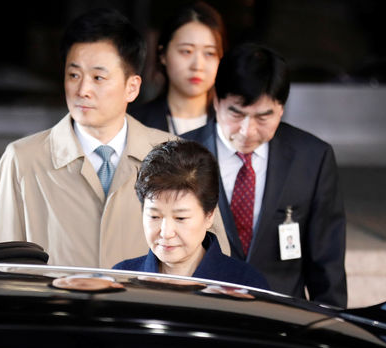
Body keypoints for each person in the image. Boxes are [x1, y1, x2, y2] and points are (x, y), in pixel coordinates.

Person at [0, 7, 229, 268]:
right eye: (73, 75)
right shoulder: (23, 160)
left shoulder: (179, 156)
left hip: (147, 309)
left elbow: (215, 266)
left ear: (132, 87)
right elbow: (2, 269)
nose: (83, 90)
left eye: (98, 77)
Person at [183, 43, 347, 307]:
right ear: (216, 100)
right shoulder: (181, 153)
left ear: (281, 108)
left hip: (280, 317)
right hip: (203, 312)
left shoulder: (312, 158)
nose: (248, 131)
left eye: (263, 117)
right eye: (236, 113)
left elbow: (327, 265)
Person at [114, 140, 268, 289]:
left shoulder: (245, 284)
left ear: (209, 215)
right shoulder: (122, 278)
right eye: (155, 216)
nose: (166, 233)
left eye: (180, 218)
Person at [130, 2, 225, 135]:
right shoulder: (133, 123)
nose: (197, 66)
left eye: (209, 53)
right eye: (186, 51)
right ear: (163, 55)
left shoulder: (233, 125)